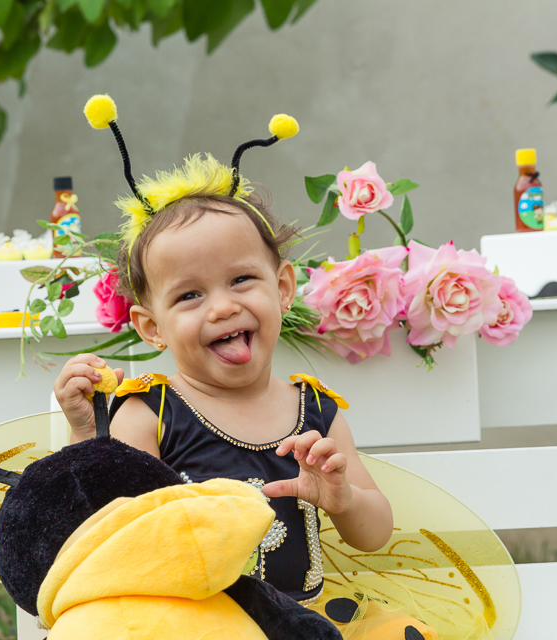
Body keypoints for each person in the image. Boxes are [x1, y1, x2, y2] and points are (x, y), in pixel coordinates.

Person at [53, 95, 392, 609]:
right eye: (190, 295)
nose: (222, 307)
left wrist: (341, 498)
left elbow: (374, 533)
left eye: (241, 279)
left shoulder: (315, 411)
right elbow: (105, 526)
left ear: (282, 288)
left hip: (303, 624)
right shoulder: (152, 411)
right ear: (151, 327)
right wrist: (86, 435)